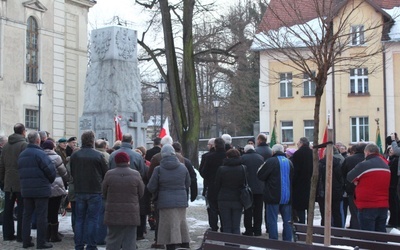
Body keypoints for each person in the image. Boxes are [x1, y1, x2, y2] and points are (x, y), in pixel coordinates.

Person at [147, 145, 191, 250]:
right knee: (181, 222)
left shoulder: (158, 169)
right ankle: (184, 243)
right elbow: (188, 183)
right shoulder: (182, 167)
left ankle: (170, 246)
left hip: (164, 201)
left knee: (167, 225)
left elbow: (151, 187)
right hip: (181, 201)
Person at [70, 130, 108, 250]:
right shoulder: (98, 155)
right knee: (92, 219)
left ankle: (79, 245)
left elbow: (72, 171)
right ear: (92, 140)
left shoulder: (75, 155)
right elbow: (105, 172)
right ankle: (91, 245)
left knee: (80, 219)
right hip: (95, 190)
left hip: (80, 190)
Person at [18, 131, 56, 249]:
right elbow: (50, 171)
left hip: (26, 189)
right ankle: (41, 242)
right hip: (41, 190)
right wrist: (48, 181)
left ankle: (26, 241)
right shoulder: (40, 154)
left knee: (26, 216)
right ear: (38, 141)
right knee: (41, 216)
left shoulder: (22, 154)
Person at [102, 151, 144, 250]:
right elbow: (141, 192)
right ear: (128, 161)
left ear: (116, 162)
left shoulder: (109, 174)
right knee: (130, 240)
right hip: (131, 213)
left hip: (113, 212)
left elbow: (104, 192)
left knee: (112, 239)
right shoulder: (136, 174)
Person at [347, 143, 391, 232]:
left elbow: (349, 177)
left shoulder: (364, 165)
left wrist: (358, 181)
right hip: (383, 204)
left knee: (367, 235)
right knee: (381, 234)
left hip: (367, 205)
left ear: (367, 152)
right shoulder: (386, 166)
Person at [257, 144, 293, 241]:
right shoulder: (289, 162)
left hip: (273, 195)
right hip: (288, 196)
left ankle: (274, 241)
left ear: (273, 152)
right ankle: (288, 240)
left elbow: (260, 175)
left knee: (272, 220)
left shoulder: (271, 161)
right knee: (287, 220)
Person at [0, 123, 28, 242]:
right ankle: (21, 236)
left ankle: (8, 234)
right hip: (21, 182)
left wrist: (2, 180)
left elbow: (1, 166)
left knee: (8, 209)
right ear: (23, 132)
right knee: (22, 209)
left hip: (8, 182)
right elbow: (26, 164)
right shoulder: (24, 145)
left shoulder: (5, 146)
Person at [42, 140, 69, 243]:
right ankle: (54, 235)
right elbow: (64, 172)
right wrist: (66, 181)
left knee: (45, 211)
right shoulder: (57, 157)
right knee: (54, 210)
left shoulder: (40, 156)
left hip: (44, 186)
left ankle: (46, 234)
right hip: (57, 186)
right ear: (53, 147)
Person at [215, 149, 245, 235]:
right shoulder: (243, 168)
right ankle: (236, 245)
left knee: (226, 225)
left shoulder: (221, 169)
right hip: (238, 198)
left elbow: (217, 184)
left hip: (224, 199)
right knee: (236, 225)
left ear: (227, 157)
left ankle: (227, 245)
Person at [200, 137, 226, 232]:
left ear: (214, 146)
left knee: (213, 209)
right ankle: (224, 227)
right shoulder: (227, 156)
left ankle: (214, 227)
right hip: (225, 187)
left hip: (212, 186)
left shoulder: (209, 157)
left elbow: (203, 171)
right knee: (223, 209)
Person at [240, 144, 264, 236]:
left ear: (245, 150)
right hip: (260, 188)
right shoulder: (260, 158)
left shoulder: (243, 158)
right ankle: (258, 230)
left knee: (248, 210)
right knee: (258, 210)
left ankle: (248, 230)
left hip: (247, 189)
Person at [341, 142, 367, 229]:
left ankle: (355, 230)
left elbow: (343, 173)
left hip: (351, 189)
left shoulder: (349, 159)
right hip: (366, 189)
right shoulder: (368, 160)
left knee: (354, 212)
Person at [316, 150, 344, 228]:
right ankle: (338, 232)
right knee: (336, 213)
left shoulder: (320, 164)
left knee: (324, 214)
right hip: (336, 192)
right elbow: (341, 178)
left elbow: (318, 179)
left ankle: (324, 231)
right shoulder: (338, 163)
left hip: (323, 193)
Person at [291, 137, 313, 224]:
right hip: (311, 183)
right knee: (309, 207)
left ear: (301, 143)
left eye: (298, 143)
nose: (297, 144)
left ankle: (302, 224)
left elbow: (295, 171)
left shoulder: (297, 154)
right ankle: (310, 224)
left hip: (299, 185)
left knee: (300, 208)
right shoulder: (313, 153)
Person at [386, 145, 399, 227]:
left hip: (393, 185)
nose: (390, 151)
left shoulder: (396, 160)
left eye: (392, 150)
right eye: (389, 150)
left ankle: (394, 221)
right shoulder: (391, 159)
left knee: (394, 205)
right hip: (391, 185)